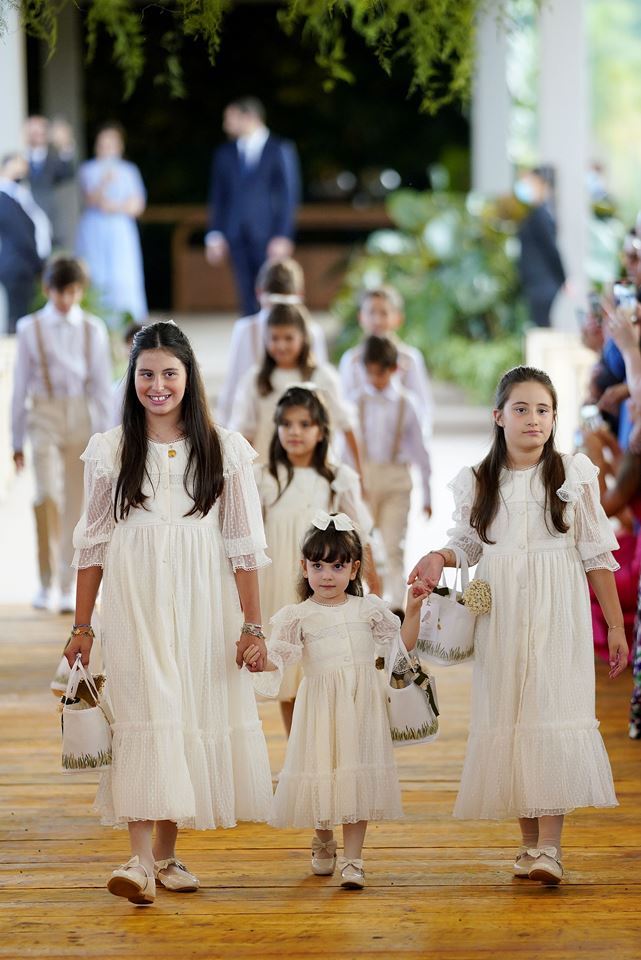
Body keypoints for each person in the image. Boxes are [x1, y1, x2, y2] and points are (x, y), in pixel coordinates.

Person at [63, 320, 273, 906]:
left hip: (203, 596)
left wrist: (252, 626)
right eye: (146, 374)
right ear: (131, 379)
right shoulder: (110, 450)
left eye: (169, 374)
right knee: (142, 708)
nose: (157, 385)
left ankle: (165, 852)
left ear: (189, 377)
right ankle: (136, 859)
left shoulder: (224, 447)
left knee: (183, 708)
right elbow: (92, 545)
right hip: (134, 599)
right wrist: (82, 625)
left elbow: (244, 546)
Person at [408, 365, 628, 885]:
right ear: (499, 416)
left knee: (552, 709)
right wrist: (441, 556)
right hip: (501, 611)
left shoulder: (573, 474)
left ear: (555, 418)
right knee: (512, 712)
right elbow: (468, 541)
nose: (534, 419)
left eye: (544, 410)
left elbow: (596, 553)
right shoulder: (480, 480)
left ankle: (551, 846)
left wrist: (616, 626)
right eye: (522, 409)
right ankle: (529, 846)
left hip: (559, 611)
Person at [244, 513, 428, 889]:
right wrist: (259, 659)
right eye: (318, 566)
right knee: (323, 771)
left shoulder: (368, 609)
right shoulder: (299, 615)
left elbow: (401, 646)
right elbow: (280, 654)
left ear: (354, 568)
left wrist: (413, 610)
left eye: (337, 566)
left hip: (361, 706)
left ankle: (354, 859)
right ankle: (324, 838)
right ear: (304, 567)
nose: (327, 575)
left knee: (356, 775)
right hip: (320, 708)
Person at [255, 385, 379, 735]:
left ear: (322, 430)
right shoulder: (264, 478)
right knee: (290, 675)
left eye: (305, 424)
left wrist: (372, 583)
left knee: (324, 664)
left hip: (325, 589)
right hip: (280, 583)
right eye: (287, 424)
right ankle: (299, 751)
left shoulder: (337, 478)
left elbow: (361, 534)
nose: (295, 432)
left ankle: (329, 745)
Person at [11, 255, 113, 612]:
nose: (65, 299)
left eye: (71, 292)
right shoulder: (30, 328)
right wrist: (15, 439)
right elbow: (19, 385)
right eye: (59, 292)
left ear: (80, 291)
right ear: (47, 290)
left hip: (80, 415)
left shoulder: (93, 329)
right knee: (46, 494)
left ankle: (69, 582)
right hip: (43, 412)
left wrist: (109, 437)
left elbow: (101, 387)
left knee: (77, 502)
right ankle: (44, 579)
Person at [350, 336, 431, 612]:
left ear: (394, 369)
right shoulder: (355, 401)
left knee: (393, 544)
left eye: (380, 372)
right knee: (362, 544)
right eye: (369, 372)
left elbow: (421, 451)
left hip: (397, 479)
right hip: (364, 480)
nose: (375, 378)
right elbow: (346, 450)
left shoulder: (407, 404)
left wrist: (427, 494)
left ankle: (397, 605)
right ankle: (364, 601)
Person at [229, 303, 360, 470]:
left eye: (288, 338)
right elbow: (244, 433)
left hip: (315, 474)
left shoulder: (323, 377)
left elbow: (346, 426)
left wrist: (359, 471)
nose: (281, 346)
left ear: (303, 337)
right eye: (274, 338)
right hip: (268, 473)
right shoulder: (255, 379)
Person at [205, 97, 301, 316]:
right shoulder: (224, 153)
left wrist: (283, 235)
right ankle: (249, 342)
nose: (225, 124)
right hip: (236, 234)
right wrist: (215, 234)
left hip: (268, 235)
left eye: (230, 118)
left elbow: (288, 196)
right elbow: (219, 197)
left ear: (248, 117)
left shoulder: (280, 149)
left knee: (271, 293)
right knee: (245, 295)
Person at [216, 258, 327, 426]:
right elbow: (233, 387)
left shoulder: (311, 332)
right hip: (257, 422)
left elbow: (320, 385)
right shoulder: (246, 330)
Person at [75, 122, 147, 326]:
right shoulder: (88, 169)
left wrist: (116, 207)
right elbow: (90, 200)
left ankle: (128, 321)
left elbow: (137, 204)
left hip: (120, 228)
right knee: (97, 272)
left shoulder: (129, 170)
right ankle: (99, 319)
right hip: (95, 228)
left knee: (124, 273)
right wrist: (104, 182)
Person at [338, 285, 433, 435]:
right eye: (371, 312)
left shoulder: (410, 358)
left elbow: (422, 408)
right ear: (361, 317)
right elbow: (343, 406)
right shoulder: (351, 360)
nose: (377, 320)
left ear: (398, 318)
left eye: (384, 313)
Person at [0, 152, 51, 333]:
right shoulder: (4, 196)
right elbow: (20, 234)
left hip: (25, 265)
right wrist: (38, 263)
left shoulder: (20, 193)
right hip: (18, 265)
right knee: (18, 319)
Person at [515, 166, 566, 328]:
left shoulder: (540, 214)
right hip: (537, 283)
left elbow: (551, 249)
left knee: (542, 327)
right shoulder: (533, 213)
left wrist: (563, 278)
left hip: (542, 284)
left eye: (531, 182)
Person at [24, 115, 75, 246]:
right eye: (33, 130)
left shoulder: (55, 159)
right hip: (23, 221)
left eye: (40, 131)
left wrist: (65, 144)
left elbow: (68, 172)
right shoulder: (19, 156)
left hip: (49, 221)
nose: (36, 134)